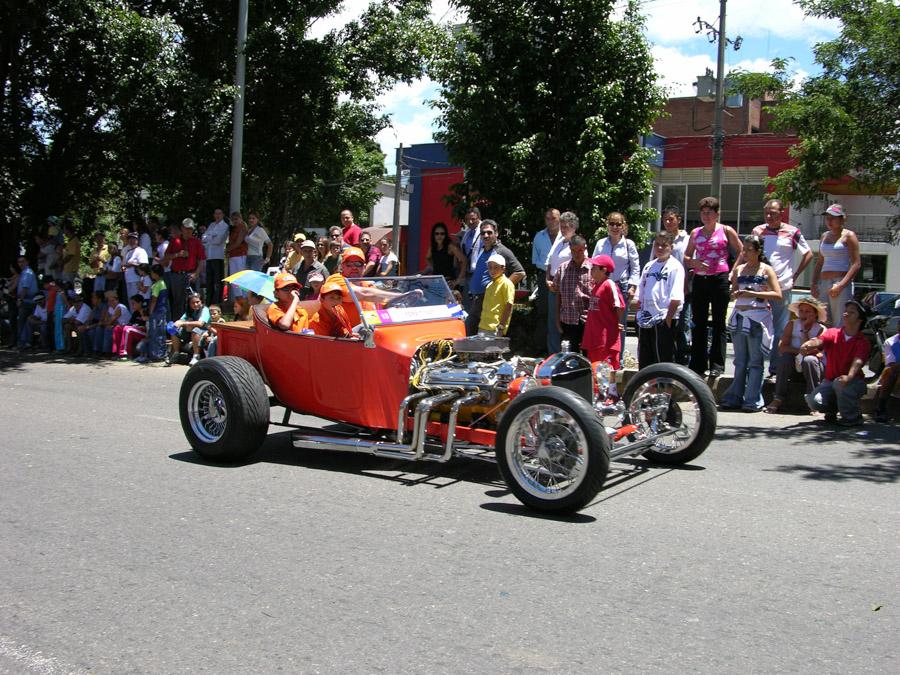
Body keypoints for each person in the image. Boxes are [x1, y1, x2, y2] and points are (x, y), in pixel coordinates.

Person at [734, 199, 814, 379]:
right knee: (754, 326)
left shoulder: (793, 232)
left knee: (780, 328)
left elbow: (808, 253)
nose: (769, 216)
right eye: (767, 213)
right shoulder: (758, 231)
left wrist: (795, 275)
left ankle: (775, 369)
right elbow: (745, 253)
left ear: (782, 213)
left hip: (782, 286)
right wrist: (735, 271)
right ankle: (752, 367)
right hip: (758, 285)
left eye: (774, 213)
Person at [720, 235, 781, 411]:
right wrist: (736, 294)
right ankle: (734, 397)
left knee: (755, 361)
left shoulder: (766, 270)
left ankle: (752, 399)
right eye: (743, 249)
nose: (745, 253)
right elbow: (732, 293)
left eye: (749, 249)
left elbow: (777, 294)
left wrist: (754, 293)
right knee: (740, 361)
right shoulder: (739, 270)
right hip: (740, 316)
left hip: (758, 319)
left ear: (758, 251)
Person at [683, 196, 743, 377]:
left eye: (709, 213)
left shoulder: (726, 230)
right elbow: (686, 257)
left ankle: (717, 364)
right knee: (698, 322)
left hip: (720, 278)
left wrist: (733, 272)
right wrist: (694, 262)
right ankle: (697, 363)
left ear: (717, 214)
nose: (706, 217)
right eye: (703, 213)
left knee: (718, 322)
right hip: (701, 280)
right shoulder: (695, 233)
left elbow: (741, 251)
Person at [801, 299, 871, 425]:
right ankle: (832, 410)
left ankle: (852, 417)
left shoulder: (862, 341)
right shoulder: (834, 332)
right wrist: (809, 344)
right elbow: (820, 340)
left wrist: (849, 377)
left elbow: (858, 361)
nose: (846, 314)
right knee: (814, 401)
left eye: (852, 312)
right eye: (845, 311)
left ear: (860, 320)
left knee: (839, 383)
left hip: (854, 382)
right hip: (830, 381)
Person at [765, 296, 827, 415]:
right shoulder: (792, 324)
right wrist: (800, 351)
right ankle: (778, 398)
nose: (803, 314)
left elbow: (815, 352)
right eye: (801, 311)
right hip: (794, 363)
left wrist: (805, 332)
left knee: (809, 360)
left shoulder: (821, 329)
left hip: (812, 367)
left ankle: (813, 402)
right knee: (785, 358)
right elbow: (782, 347)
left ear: (815, 314)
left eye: (807, 311)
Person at [633, 231, 686, 370]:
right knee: (645, 360)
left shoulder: (675, 267)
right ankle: (648, 389)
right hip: (646, 319)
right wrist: (639, 314)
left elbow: (676, 297)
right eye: (657, 245)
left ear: (671, 247)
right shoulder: (649, 266)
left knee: (663, 359)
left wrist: (668, 319)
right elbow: (640, 293)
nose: (660, 248)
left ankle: (665, 390)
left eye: (664, 245)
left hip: (664, 318)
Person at [592, 212, 640, 357]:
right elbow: (593, 263)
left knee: (619, 324)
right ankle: (602, 355)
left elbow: (635, 266)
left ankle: (617, 357)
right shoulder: (601, 243)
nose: (615, 227)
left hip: (621, 286)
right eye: (612, 223)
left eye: (618, 224)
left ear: (623, 226)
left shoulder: (628, 244)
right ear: (607, 225)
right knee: (602, 321)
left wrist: (633, 286)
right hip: (603, 287)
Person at [466, 220, 526, 335]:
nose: (486, 235)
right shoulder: (482, 250)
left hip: (488, 300)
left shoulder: (502, 250)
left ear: (496, 233)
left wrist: (499, 289)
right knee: (473, 334)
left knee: (472, 330)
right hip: (476, 299)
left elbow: (520, 272)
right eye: (483, 233)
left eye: (489, 232)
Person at [810, 204, 860, 328]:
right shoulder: (824, 236)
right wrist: (814, 283)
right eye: (828, 217)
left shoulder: (849, 236)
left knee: (840, 322)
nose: (830, 221)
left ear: (842, 219)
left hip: (840, 282)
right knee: (823, 321)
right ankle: (826, 347)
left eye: (834, 217)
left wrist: (841, 285)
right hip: (824, 282)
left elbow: (856, 264)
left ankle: (839, 346)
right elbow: (820, 262)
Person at [582, 254, 625, 374]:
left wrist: (616, 323)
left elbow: (619, 306)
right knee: (595, 372)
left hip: (605, 340)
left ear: (604, 269)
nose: (591, 269)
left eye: (594, 267)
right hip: (593, 338)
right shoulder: (596, 286)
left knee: (606, 372)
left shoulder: (609, 284)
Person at [661, 206, 691, 365]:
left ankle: (683, 362)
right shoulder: (661, 240)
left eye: (671, 219)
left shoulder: (686, 239)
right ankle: (669, 360)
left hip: (683, 290)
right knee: (668, 325)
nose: (668, 222)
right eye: (665, 219)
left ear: (679, 220)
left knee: (683, 326)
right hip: (664, 292)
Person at [545, 211, 578, 352]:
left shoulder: (577, 243)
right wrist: (547, 279)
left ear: (574, 227)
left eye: (567, 226)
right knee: (552, 323)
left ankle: (564, 355)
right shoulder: (559, 241)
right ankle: (552, 355)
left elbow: (579, 266)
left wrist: (558, 283)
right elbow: (550, 262)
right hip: (553, 287)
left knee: (563, 324)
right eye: (562, 226)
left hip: (567, 290)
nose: (563, 229)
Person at [553, 234, 591, 352]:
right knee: (569, 358)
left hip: (587, 320)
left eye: (580, 250)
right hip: (567, 320)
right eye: (573, 250)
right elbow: (558, 296)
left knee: (587, 357)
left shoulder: (593, 268)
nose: (577, 253)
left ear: (585, 249)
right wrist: (557, 320)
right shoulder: (562, 268)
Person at [163, 219, 206, 319]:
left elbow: (202, 260)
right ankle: (177, 327)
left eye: (190, 229)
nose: (188, 231)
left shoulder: (197, 242)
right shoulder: (175, 241)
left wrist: (196, 273)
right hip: (176, 275)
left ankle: (194, 325)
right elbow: (166, 256)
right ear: (182, 229)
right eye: (186, 229)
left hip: (191, 275)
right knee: (177, 302)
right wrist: (178, 254)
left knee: (194, 301)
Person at [531, 208, 560, 354]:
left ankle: (560, 348)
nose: (550, 221)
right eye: (547, 218)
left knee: (561, 312)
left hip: (561, 277)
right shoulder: (539, 237)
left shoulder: (565, 236)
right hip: (543, 276)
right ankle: (542, 348)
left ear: (559, 219)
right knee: (543, 312)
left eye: (553, 218)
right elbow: (536, 260)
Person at [137, 264, 169, 363]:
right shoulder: (163, 283)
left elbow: (154, 300)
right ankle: (158, 353)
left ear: (155, 274)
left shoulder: (157, 285)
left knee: (155, 333)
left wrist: (150, 311)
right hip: (162, 311)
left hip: (157, 312)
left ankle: (156, 355)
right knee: (159, 332)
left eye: (152, 273)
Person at [478, 253, 515, 336]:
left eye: (496, 267)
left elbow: (509, 305)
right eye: (490, 267)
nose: (492, 270)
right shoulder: (490, 285)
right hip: (483, 326)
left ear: (503, 269)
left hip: (495, 328)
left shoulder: (506, 283)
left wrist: (501, 326)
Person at [169, 293, 210, 366]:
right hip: (189, 331)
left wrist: (186, 323)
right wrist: (176, 324)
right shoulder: (189, 311)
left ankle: (196, 356)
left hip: (202, 332)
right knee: (173, 330)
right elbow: (180, 320)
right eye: (193, 303)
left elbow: (200, 323)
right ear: (189, 304)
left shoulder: (205, 310)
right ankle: (176, 353)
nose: (195, 304)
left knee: (195, 330)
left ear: (201, 301)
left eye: (197, 302)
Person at [423, 222, 467, 289]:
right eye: (437, 234)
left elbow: (464, 260)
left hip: (448, 283)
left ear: (445, 235)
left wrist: (458, 280)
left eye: (442, 234)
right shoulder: (432, 247)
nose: (439, 236)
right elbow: (427, 258)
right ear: (433, 235)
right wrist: (433, 267)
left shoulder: (450, 246)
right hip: (436, 282)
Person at [873, 326, 899, 423]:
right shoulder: (890, 342)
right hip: (896, 373)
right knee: (890, 372)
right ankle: (881, 409)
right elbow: (891, 364)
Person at [204, 208, 229, 305]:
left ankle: (217, 303)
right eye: (216, 213)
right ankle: (208, 302)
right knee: (209, 281)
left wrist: (209, 238)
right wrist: (212, 237)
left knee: (217, 282)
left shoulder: (225, 226)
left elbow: (219, 241)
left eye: (219, 213)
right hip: (209, 256)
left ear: (223, 215)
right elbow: (203, 238)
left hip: (218, 256)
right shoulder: (211, 225)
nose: (217, 215)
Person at [95, 290, 132, 355]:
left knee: (108, 329)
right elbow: (106, 320)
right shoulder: (110, 308)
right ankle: (98, 350)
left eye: (113, 300)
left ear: (117, 300)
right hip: (116, 325)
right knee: (99, 329)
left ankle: (107, 352)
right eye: (109, 301)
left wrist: (107, 323)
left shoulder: (120, 307)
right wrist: (107, 322)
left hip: (125, 326)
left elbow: (108, 321)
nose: (111, 302)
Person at [111, 294, 147, 360]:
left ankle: (126, 354)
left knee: (128, 329)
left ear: (140, 303)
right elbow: (130, 323)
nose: (132, 305)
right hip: (134, 330)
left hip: (143, 332)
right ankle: (117, 353)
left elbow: (147, 326)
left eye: (134, 303)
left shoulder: (146, 311)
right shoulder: (135, 313)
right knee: (117, 328)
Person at [14, 255, 39, 350]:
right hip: (27, 300)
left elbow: (25, 288)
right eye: (19, 262)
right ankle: (26, 342)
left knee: (23, 322)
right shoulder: (24, 272)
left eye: (23, 261)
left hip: (27, 301)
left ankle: (23, 343)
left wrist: (20, 299)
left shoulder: (28, 273)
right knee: (26, 322)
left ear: (27, 262)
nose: (21, 263)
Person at [226, 211, 248, 299]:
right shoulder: (233, 229)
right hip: (233, 256)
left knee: (241, 278)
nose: (235, 221)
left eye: (236, 219)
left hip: (241, 255)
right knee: (234, 279)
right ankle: (238, 299)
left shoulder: (243, 228)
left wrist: (226, 250)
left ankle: (244, 299)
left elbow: (238, 243)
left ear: (241, 218)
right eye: (233, 219)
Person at [122, 232, 149, 300]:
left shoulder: (141, 251)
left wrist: (132, 264)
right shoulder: (128, 251)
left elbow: (144, 266)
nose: (131, 241)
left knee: (135, 299)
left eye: (133, 239)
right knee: (130, 299)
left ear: (137, 240)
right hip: (128, 279)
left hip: (137, 280)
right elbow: (124, 264)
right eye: (130, 239)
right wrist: (124, 267)